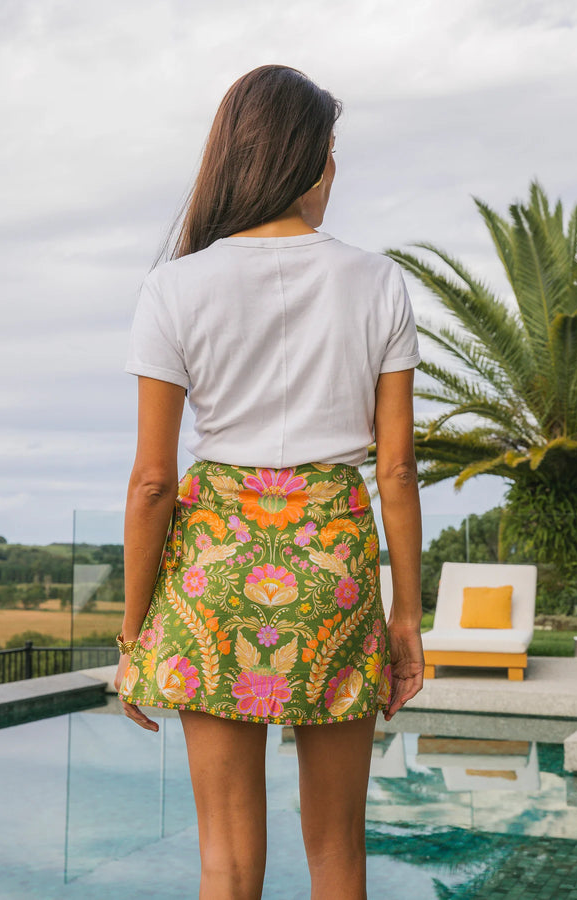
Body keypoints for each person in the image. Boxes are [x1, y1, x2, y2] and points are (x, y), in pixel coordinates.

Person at [114, 63, 424, 900]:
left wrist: (137, 632)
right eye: (332, 150)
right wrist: (405, 615)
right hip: (335, 571)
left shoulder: (174, 286)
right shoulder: (378, 280)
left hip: (213, 572)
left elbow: (152, 482)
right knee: (339, 852)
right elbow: (396, 469)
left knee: (224, 861)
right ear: (312, 160)